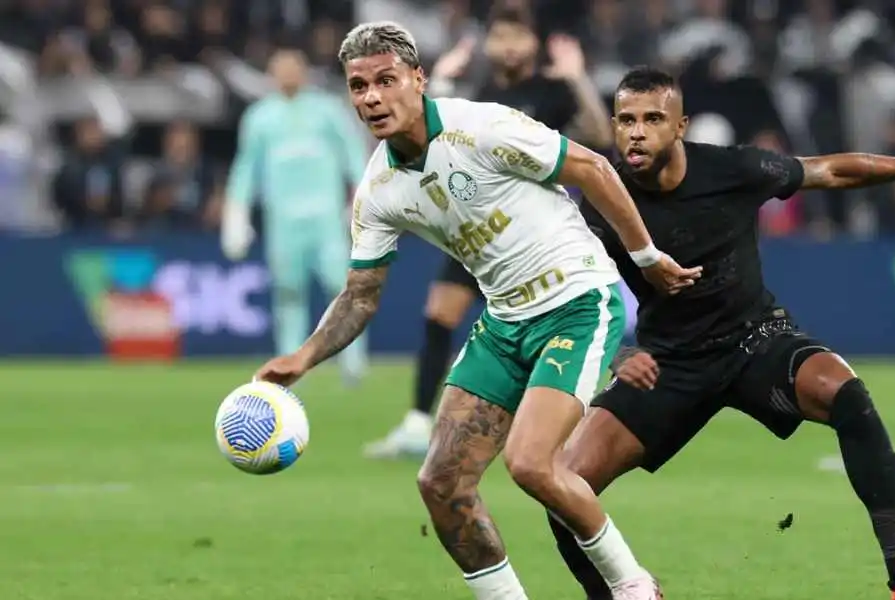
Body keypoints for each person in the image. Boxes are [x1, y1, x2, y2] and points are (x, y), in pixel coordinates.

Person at [253, 22, 701, 600]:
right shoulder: (380, 189)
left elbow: (591, 167)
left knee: (532, 464)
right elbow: (361, 294)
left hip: (577, 303)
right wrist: (304, 357)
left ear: (418, 80)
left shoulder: (481, 126)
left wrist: (645, 256)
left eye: (386, 80)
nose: (371, 97)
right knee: (440, 483)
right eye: (358, 86)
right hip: (504, 323)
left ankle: (635, 587)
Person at [545, 67, 895, 600]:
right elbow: (573, 285)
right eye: (627, 120)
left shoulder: (733, 168)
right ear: (614, 125)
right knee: (562, 488)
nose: (637, 132)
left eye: (653, 119)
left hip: (754, 341)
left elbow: (831, 172)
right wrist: (616, 353)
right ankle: (620, 594)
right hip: (668, 362)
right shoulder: (603, 197)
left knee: (845, 391)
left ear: (679, 126)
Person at [363, 5, 614, 459]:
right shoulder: (477, 94)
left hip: (531, 240)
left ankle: (564, 426)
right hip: (473, 231)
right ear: (488, 44)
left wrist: (578, 77)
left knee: (548, 336)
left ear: (534, 44)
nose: (509, 46)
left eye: (518, 37)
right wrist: (438, 82)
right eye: (500, 37)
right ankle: (419, 424)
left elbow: (598, 136)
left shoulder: (553, 90)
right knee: (439, 314)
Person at [223, 48, 369, 387]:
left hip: (326, 219)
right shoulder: (260, 117)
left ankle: (353, 362)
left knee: (343, 290)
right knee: (289, 293)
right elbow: (246, 168)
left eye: (293, 69)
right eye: (280, 70)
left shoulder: (326, 110)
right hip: (284, 222)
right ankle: (290, 363)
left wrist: (363, 197)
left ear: (303, 72)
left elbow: (352, 152)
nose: (287, 76)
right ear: (271, 75)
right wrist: (236, 213)